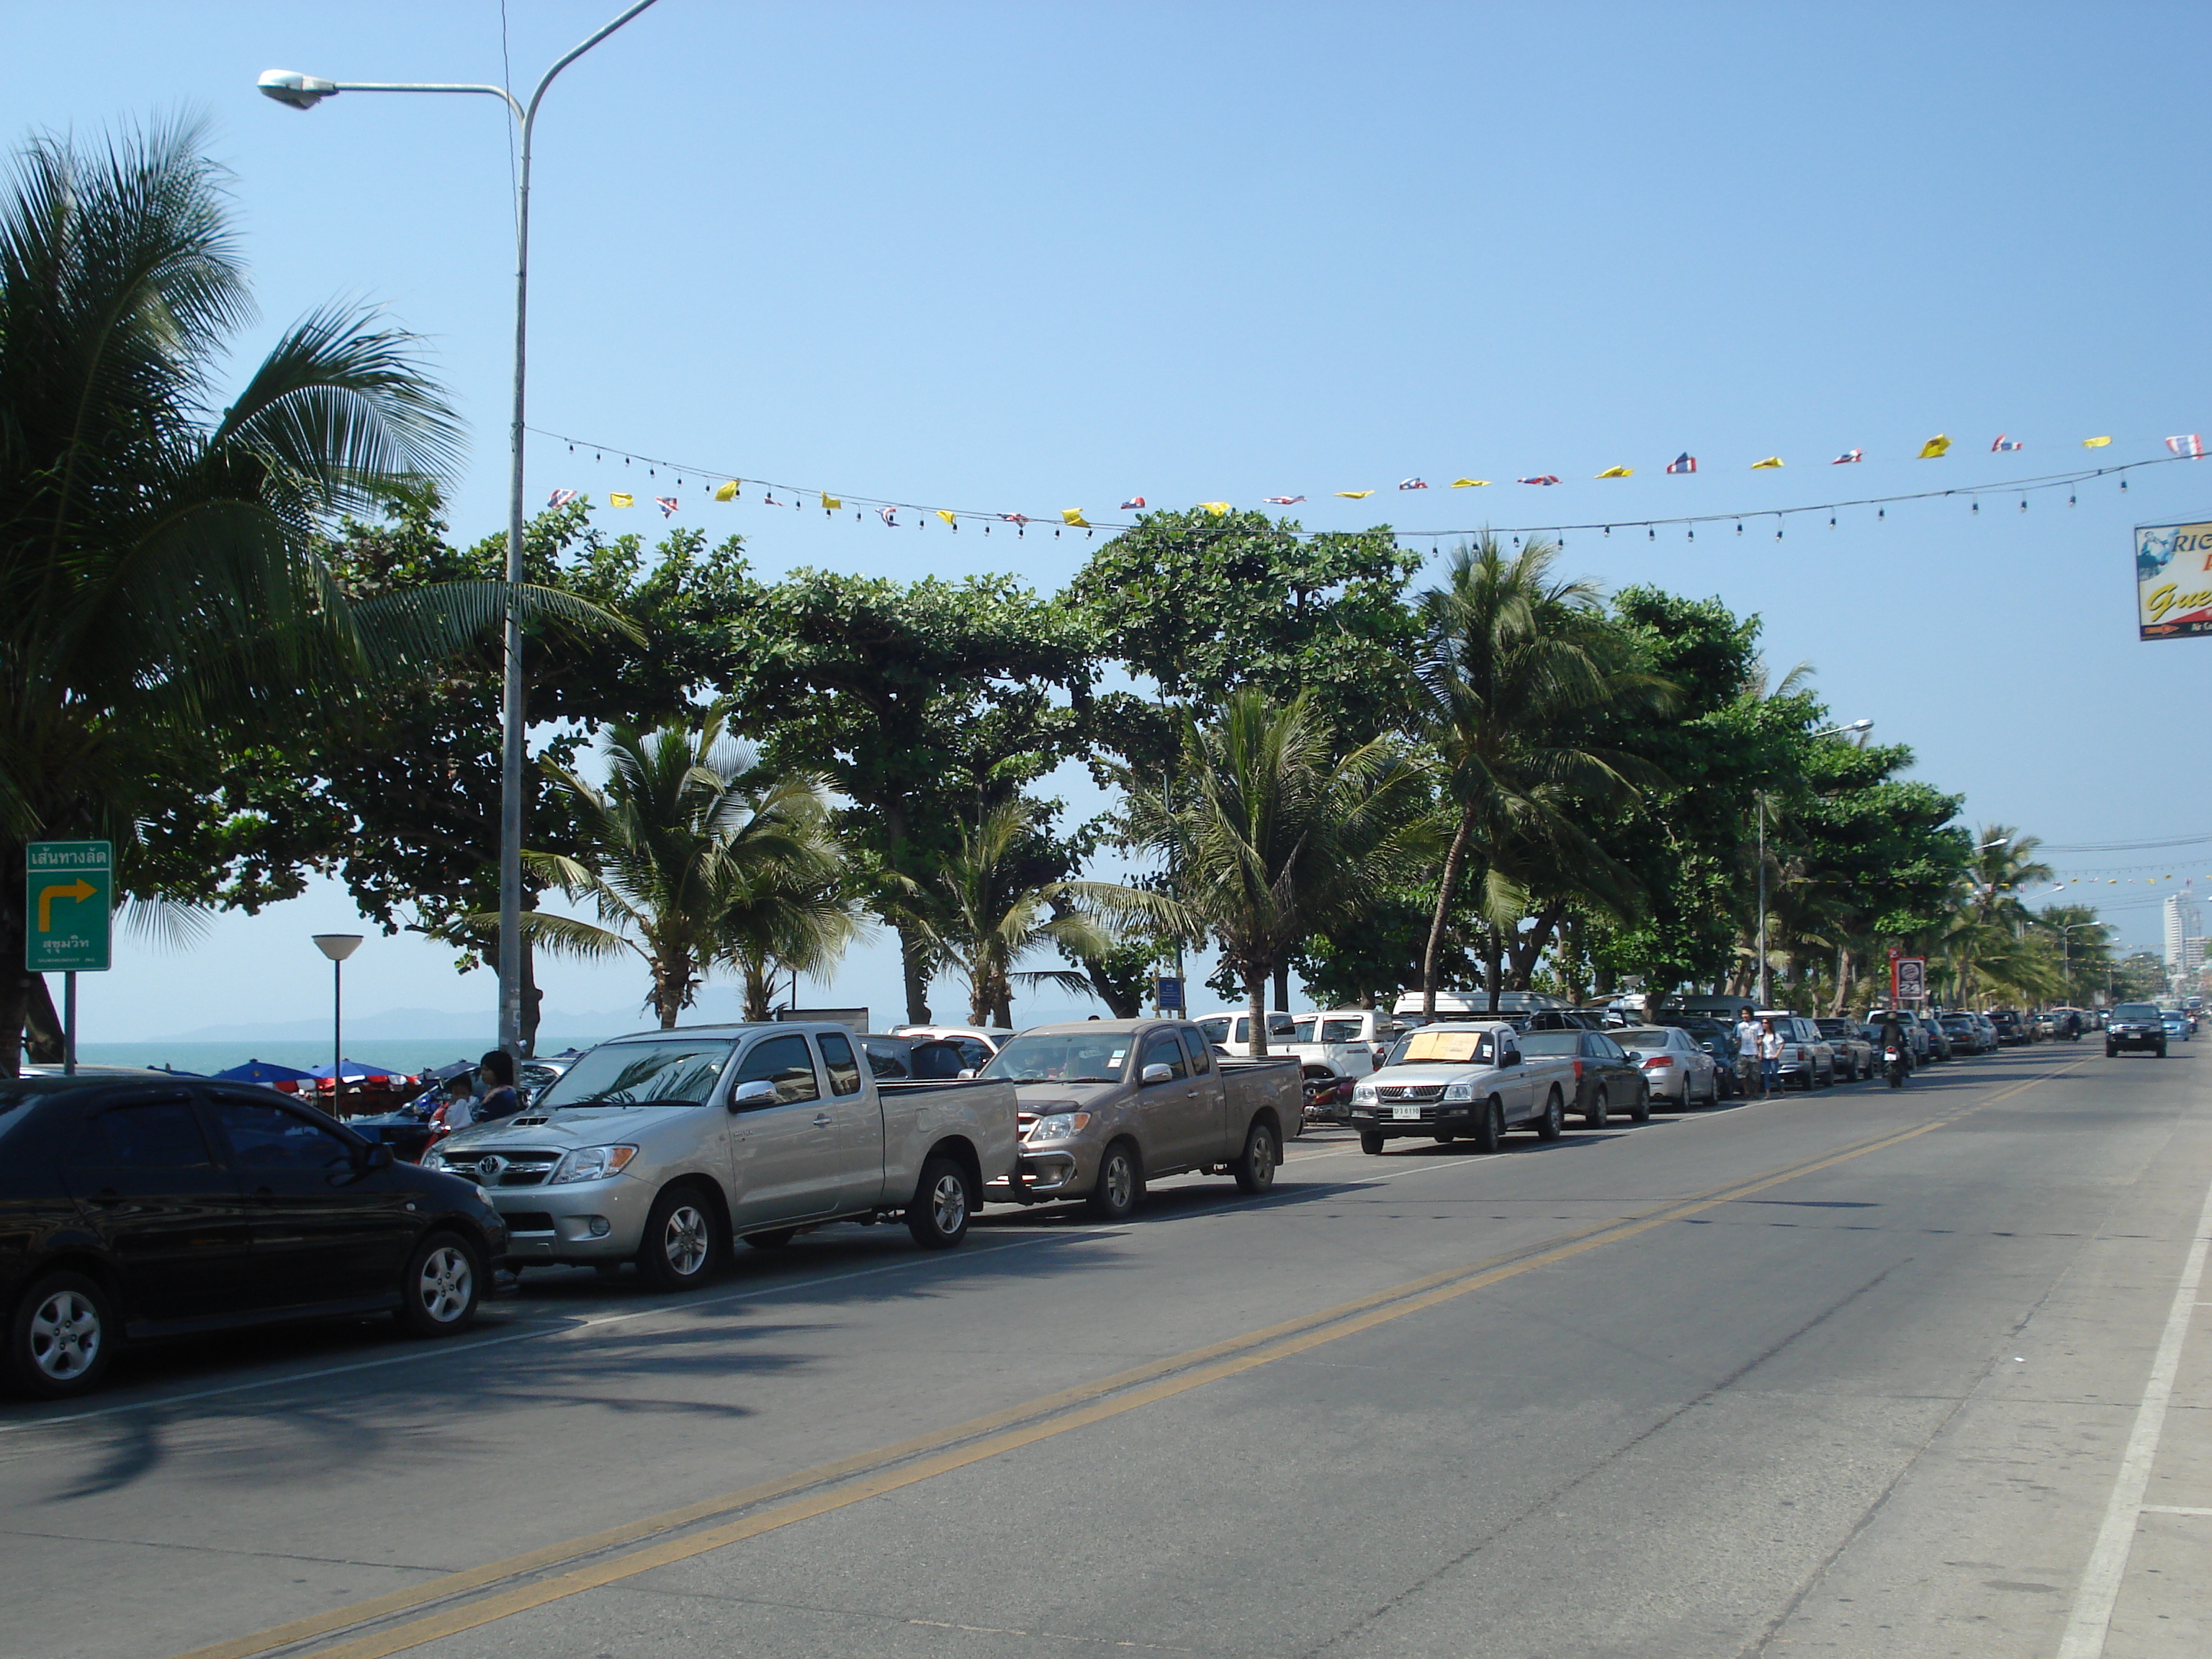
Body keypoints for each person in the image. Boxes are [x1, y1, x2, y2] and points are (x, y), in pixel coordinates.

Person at [475, 1049, 523, 1123]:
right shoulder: (483, 1093)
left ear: (499, 1071)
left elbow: (487, 1122)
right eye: (482, 1069)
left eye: (487, 1070)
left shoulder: (505, 1096)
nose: (482, 1073)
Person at [1735, 1012, 1766, 1099]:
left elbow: (1760, 1039)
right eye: (1743, 1014)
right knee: (1741, 1074)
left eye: (1746, 1014)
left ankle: (1756, 1093)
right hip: (1743, 1053)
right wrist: (1737, 1046)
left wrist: (1760, 1053)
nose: (1744, 1016)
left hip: (1754, 1053)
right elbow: (1738, 1038)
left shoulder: (1757, 1024)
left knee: (1755, 1075)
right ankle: (1746, 1091)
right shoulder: (1740, 1026)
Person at [1759, 1017, 1784, 1095]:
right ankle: (1768, 1093)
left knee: (1774, 1074)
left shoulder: (1775, 1035)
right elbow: (1760, 1045)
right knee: (1766, 1075)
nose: (1764, 1025)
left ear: (1769, 1024)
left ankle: (1781, 1088)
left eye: (1766, 1023)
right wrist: (1760, 1054)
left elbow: (1782, 1043)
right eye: (1763, 1023)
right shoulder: (1762, 1036)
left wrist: (1777, 1054)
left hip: (1773, 1058)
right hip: (1765, 1058)